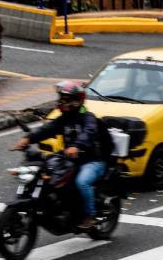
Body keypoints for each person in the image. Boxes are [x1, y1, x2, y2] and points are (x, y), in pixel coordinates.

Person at [13, 81, 107, 229]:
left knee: (82, 182)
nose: (62, 102)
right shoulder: (65, 118)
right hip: (69, 159)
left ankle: (89, 215)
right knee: (46, 173)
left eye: (66, 99)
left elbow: (88, 133)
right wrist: (28, 138)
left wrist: (77, 146)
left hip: (91, 161)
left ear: (77, 101)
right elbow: (48, 129)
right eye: (61, 98)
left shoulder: (88, 118)